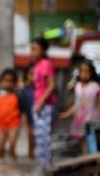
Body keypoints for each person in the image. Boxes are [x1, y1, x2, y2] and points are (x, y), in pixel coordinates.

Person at [60, 60, 100, 140]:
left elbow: (98, 104)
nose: (84, 74)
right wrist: (67, 113)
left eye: (87, 72)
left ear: (91, 73)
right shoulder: (78, 86)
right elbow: (77, 104)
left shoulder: (94, 86)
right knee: (81, 141)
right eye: (82, 71)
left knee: (90, 140)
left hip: (91, 119)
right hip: (79, 120)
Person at [31, 37, 57, 167]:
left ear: (43, 50)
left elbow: (51, 85)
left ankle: (46, 165)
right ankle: (42, 165)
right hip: (39, 105)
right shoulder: (38, 65)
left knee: (44, 139)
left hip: (45, 106)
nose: (33, 52)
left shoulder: (46, 64)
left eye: (35, 49)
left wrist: (40, 102)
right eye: (32, 49)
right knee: (39, 138)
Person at [0, 69, 22, 160]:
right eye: (5, 80)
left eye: (10, 81)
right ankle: (2, 167)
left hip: (14, 125)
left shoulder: (17, 95)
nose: (8, 83)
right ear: (1, 82)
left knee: (11, 147)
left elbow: (22, 112)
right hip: (1, 125)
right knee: (1, 149)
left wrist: (24, 125)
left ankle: (14, 165)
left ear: (14, 83)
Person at [18, 64, 35, 159]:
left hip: (38, 119)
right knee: (30, 140)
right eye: (30, 74)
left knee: (36, 141)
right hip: (28, 120)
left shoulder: (39, 90)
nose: (32, 77)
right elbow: (22, 110)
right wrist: (24, 124)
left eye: (34, 74)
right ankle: (30, 157)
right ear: (26, 75)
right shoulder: (23, 91)